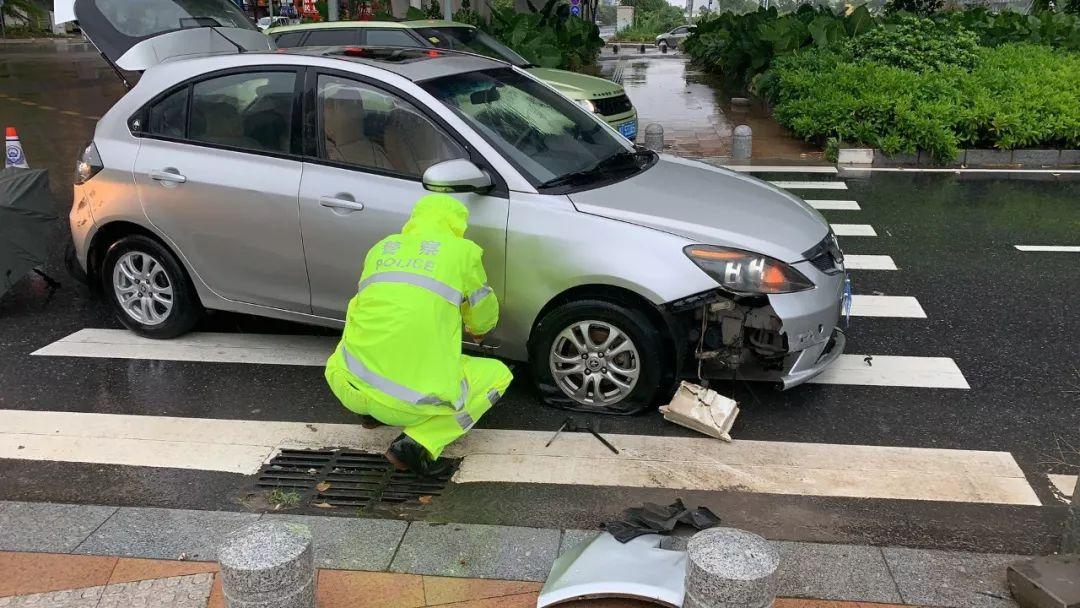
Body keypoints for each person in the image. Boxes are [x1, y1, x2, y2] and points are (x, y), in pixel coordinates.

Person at [324, 193, 513, 476]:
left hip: (345, 383)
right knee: (499, 375)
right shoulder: (463, 252)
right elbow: (482, 311)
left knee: (377, 335)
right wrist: (478, 330)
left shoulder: (382, 248)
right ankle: (417, 445)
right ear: (457, 226)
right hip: (405, 405)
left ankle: (369, 413)